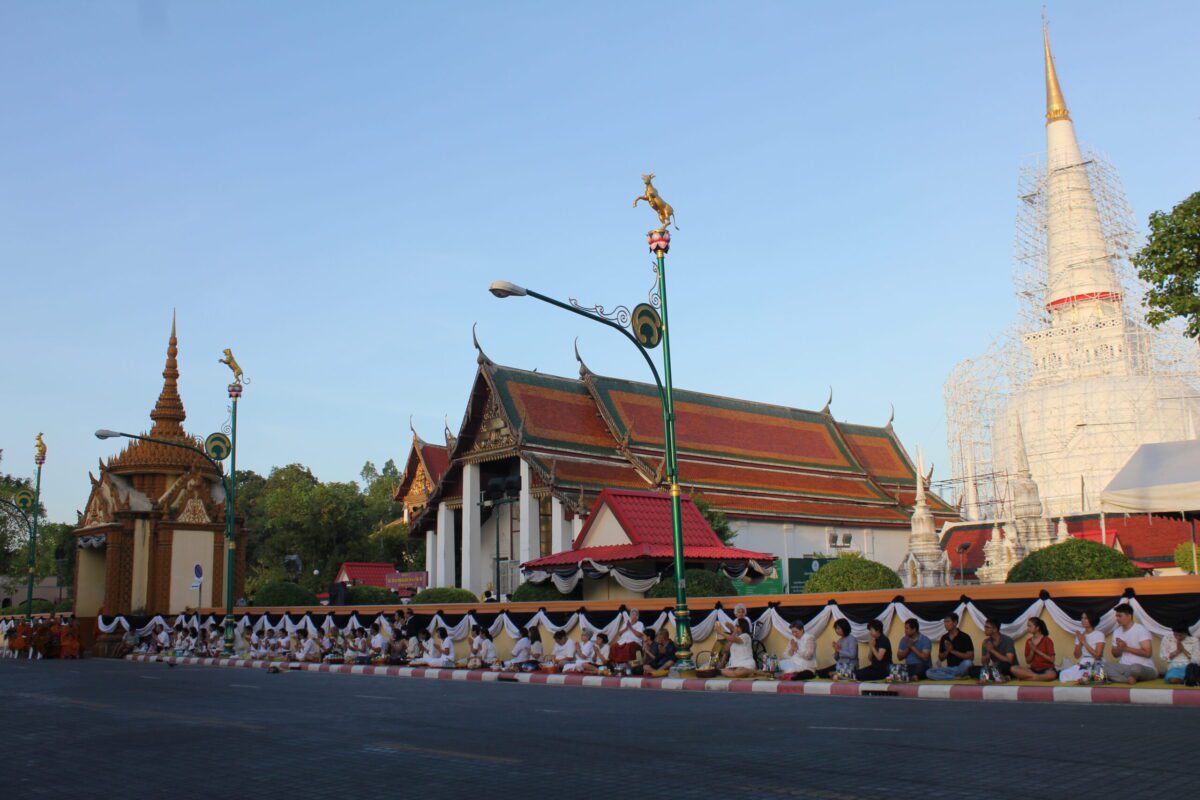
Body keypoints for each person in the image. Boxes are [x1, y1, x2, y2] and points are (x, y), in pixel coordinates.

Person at [1106, 603, 1157, 684]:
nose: (1117, 619)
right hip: (1125, 667)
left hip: (1144, 668)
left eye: (1120, 616)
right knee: (1102, 666)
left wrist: (1126, 648)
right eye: (1116, 616)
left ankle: (1121, 678)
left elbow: (1148, 653)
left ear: (1129, 616)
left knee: (1135, 668)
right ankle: (1127, 680)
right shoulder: (1117, 631)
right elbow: (1115, 655)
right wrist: (1119, 648)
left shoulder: (1141, 629)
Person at [1058, 611, 1106, 683]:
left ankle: (1087, 678)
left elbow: (1097, 655)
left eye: (1086, 618)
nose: (1083, 620)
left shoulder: (1099, 634)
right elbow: (1076, 656)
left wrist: (1084, 642)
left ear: (1092, 619)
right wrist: (1080, 642)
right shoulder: (1080, 636)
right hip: (1084, 662)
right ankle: (1086, 678)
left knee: (1097, 674)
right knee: (1063, 674)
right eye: (1082, 618)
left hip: (1096, 662)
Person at [926, 613, 974, 681]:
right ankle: (955, 677)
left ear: (955, 623)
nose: (945, 624)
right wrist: (947, 651)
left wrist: (952, 651)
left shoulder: (965, 637)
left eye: (948, 621)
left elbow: (970, 657)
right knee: (929, 672)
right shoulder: (944, 638)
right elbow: (941, 658)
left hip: (962, 667)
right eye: (944, 622)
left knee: (968, 663)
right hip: (950, 669)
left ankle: (950, 676)